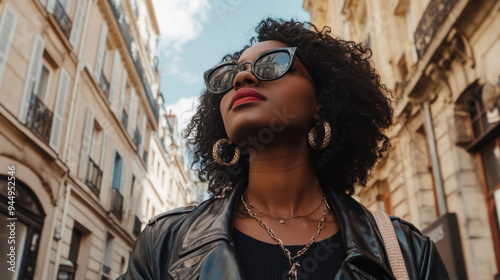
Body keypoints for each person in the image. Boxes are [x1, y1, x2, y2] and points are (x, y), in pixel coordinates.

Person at [119, 18, 449, 280]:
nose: (242, 79)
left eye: (273, 64)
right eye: (232, 72)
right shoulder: (164, 244)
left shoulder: (406, 251)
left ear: (322, 101)